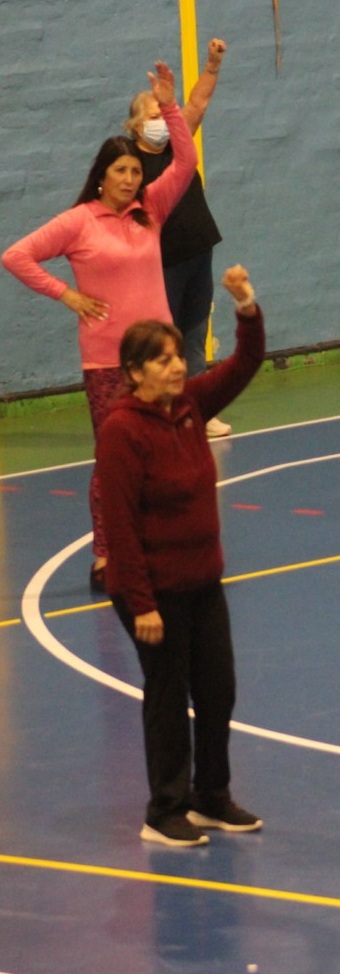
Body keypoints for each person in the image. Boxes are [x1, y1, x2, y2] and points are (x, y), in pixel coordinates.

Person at [2, 61, 197, 592]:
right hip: (108, 362)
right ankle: (107, 555)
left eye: (135, 171)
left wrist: (170, 106)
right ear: (102, 175)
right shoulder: (79, 221)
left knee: (166, 459)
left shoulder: (151, 209)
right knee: (113, 463)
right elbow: (16, 256)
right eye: (121, 172)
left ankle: (158, 548)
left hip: (160, 362)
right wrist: (66, 294)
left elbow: (185, 160)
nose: (131, 180)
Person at [96, 264, 265, 848]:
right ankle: (165, 810)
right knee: (168, 697)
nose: (177, 366)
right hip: (152, 591)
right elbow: (119, 524)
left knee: (217, 690)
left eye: (177, 357)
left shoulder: (191, 404)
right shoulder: (122, 431)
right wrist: (142, 603)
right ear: (135, 372)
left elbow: (245, 364)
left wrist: (246, 307)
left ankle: (211, 796)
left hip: (201, 582)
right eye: (163, 360)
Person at [126, 37, 231, 438]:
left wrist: (212, 64)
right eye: (154, 115)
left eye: (163, 114)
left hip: (198, 251)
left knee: (195, 333)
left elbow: (198, 104)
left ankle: (197, 410)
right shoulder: (130, 163)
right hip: (161, 262)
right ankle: (157, 413)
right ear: (137, 124)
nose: (162, 122)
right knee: (162, 339)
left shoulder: (177, 144)